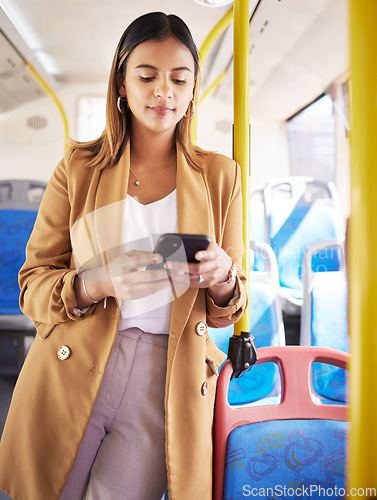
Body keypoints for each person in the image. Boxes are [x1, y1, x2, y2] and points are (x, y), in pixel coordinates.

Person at [0, 11, 248, 500]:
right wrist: (95, 283)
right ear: (121, 81)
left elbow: (231, 309)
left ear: (194, 89)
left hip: (166, 377)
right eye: (147, 76)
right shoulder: (80, 168)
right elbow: (32, 284)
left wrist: (222, 279)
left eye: (179, 78)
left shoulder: (221, 177)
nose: (164, 92)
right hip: (77, 360)